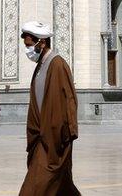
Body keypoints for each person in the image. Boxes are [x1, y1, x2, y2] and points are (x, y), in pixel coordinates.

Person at [19, 20, 80, 196]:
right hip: (42, 137)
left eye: (30, 45)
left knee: (35, 187)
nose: (28, 50)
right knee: (61, 184)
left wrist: (62, 134)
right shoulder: (41, 66)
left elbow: (68, 101)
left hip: (53, 139)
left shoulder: (57, 64)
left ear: (42, 42)